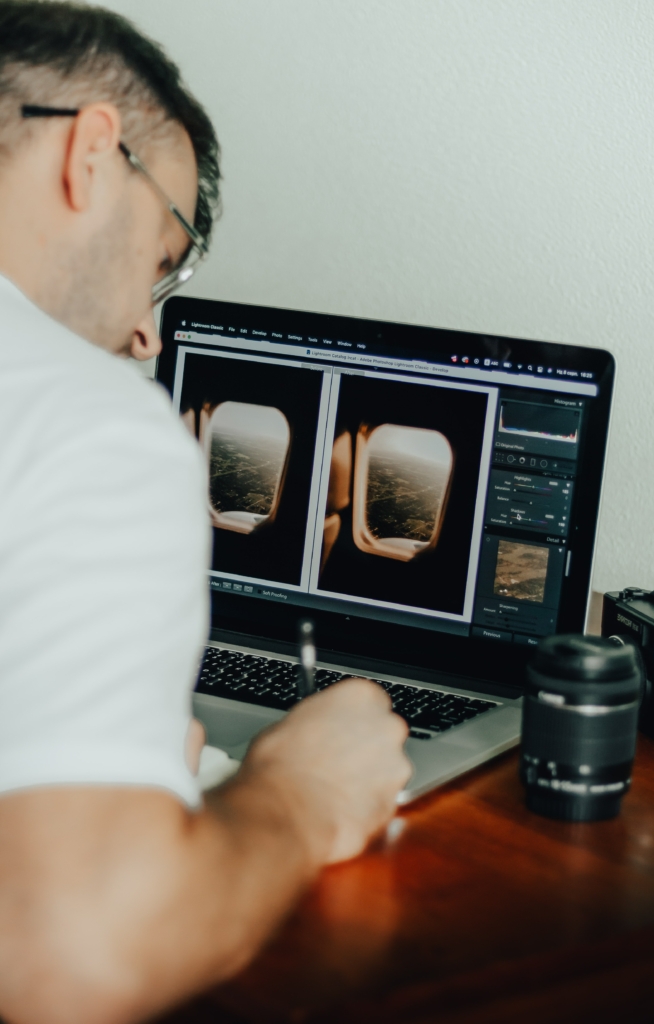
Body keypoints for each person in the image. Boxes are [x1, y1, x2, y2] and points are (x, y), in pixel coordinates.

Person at [0, 4, 411, 1023]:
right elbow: (74, 959)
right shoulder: (86, 421)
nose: (148, 332)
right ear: (93, 152)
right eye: (166, 254)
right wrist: (295, 792)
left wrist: (74, 757)